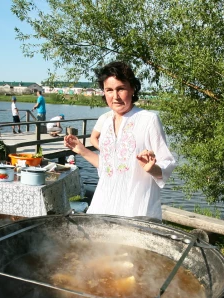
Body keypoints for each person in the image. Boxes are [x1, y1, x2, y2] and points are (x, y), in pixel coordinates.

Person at [64, 61, 176, 220]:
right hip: (105, 203)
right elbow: (107, 167)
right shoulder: (107, 122)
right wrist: (81, 149)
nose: (115, 96)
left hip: (136, 207)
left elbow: (167, 162)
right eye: (109, 90)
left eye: (120, 89)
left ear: (132, 89)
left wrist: (152, 168)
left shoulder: (148, 120)